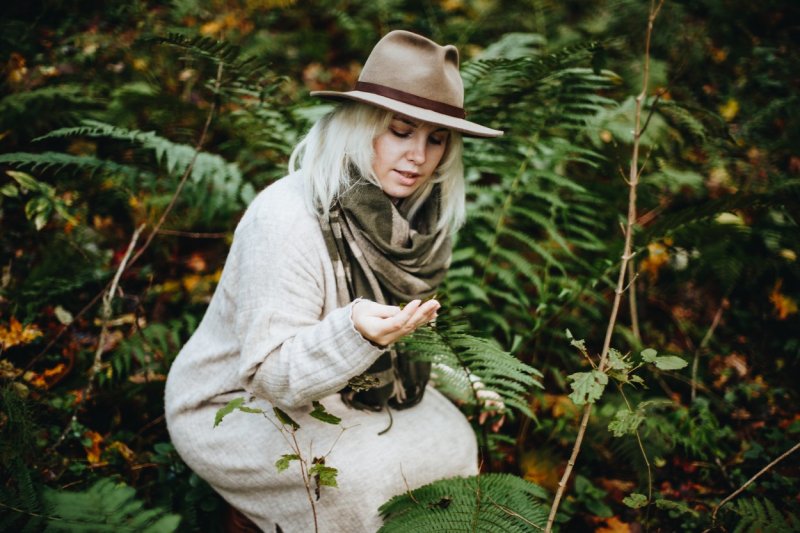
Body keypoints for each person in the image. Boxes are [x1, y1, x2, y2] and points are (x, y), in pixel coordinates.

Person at [164, 29, 503, 532]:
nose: (419, 155)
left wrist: (461, 379)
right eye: (401, 131)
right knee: (359, 480)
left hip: (354, 387)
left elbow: (412, 331)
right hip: (237, 400)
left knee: (456, 445)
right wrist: (356, 333)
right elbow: (269, 373)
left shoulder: (421, 223)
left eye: (436, 139)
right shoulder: (285, 219)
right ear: (360, 125)